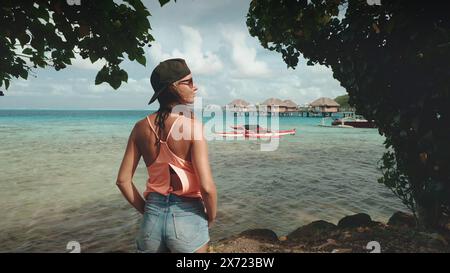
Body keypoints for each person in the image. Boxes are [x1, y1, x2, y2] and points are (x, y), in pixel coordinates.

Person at [116, 58, 217, 253]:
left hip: (151, 220)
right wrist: (211, 217)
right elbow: (207, 187)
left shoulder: (140, 127)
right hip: (187, 217)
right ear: (173, 87)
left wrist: (148, 211)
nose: (195, 87)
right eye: (188, 82)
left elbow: (122, 181)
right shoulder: (193, 126)